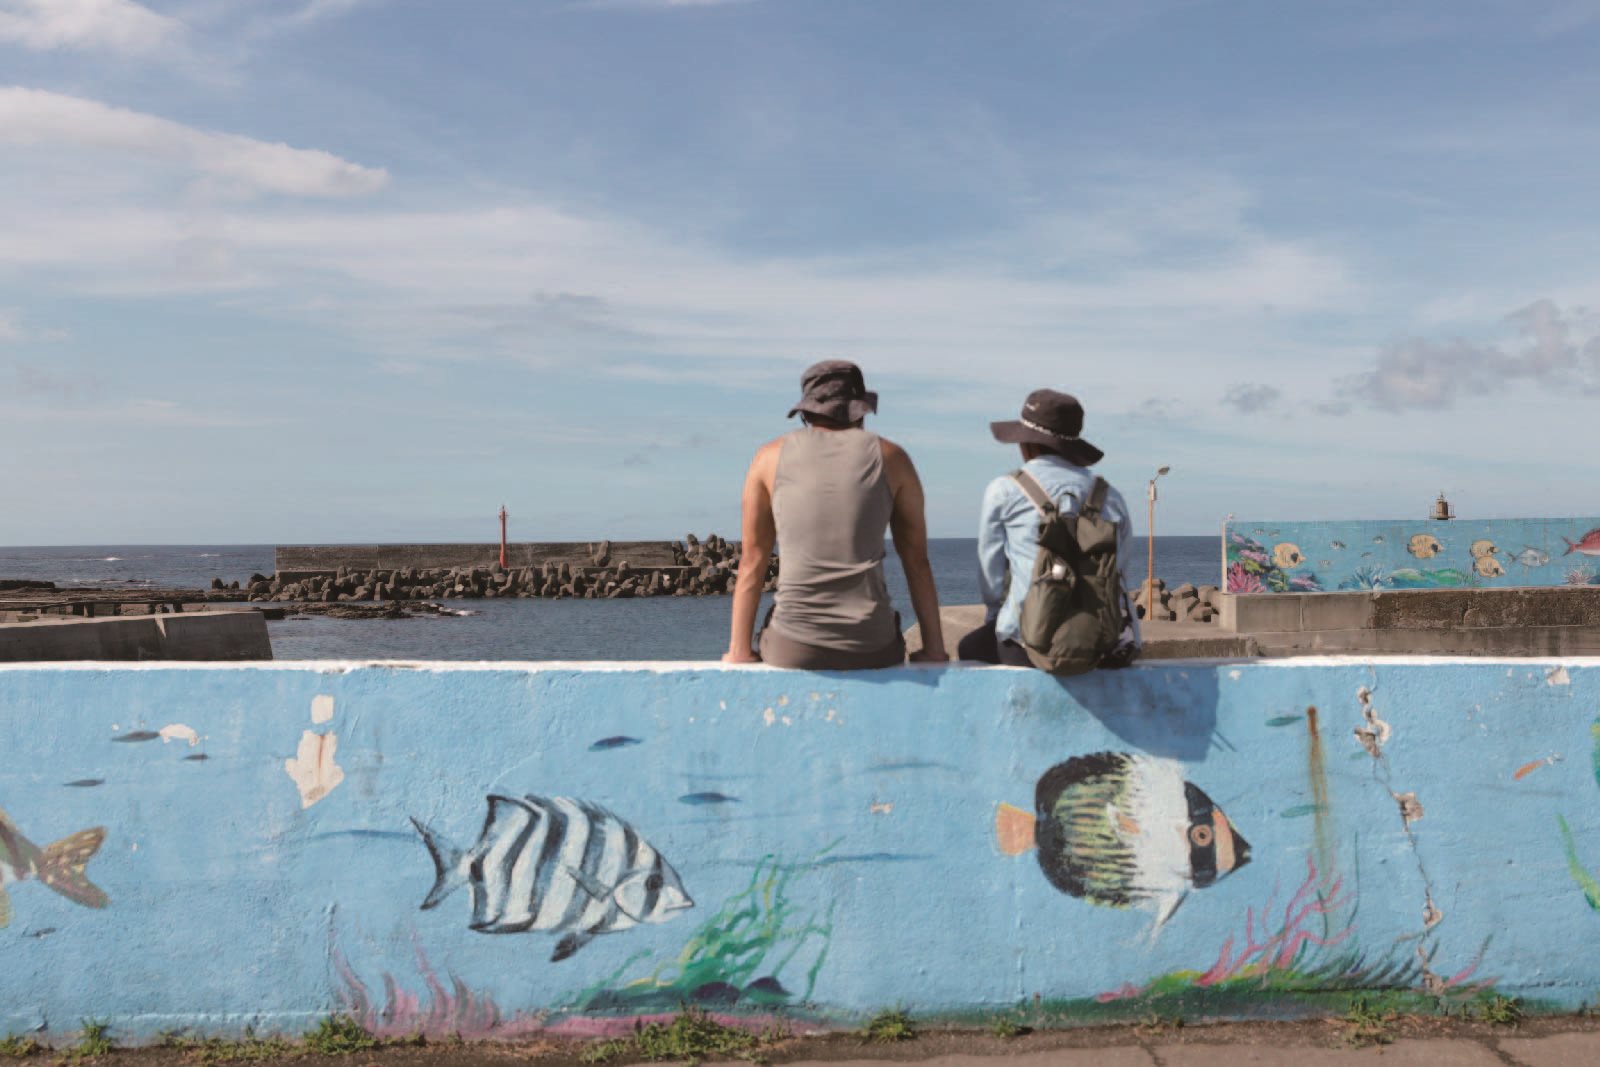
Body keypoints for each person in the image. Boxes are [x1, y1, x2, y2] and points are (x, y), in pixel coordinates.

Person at [723, 360, 947, 668]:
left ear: (805, 412)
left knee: (775, 626)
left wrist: (739, 651)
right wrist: (934, 649)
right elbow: (916, 560)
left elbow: (753, 559)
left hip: (793, 647)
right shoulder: (893, 457)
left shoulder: (768, 457)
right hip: (873, 646)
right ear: (860, 410)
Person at [958, 389, 1140, 667]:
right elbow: (1120, 570)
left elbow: (991, 575)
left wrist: (997, 616)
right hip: (1104, 644)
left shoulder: (1005, 490)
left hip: (1027, 644)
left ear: (1026, 443)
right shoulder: (1111, 496)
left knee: (969, 648)